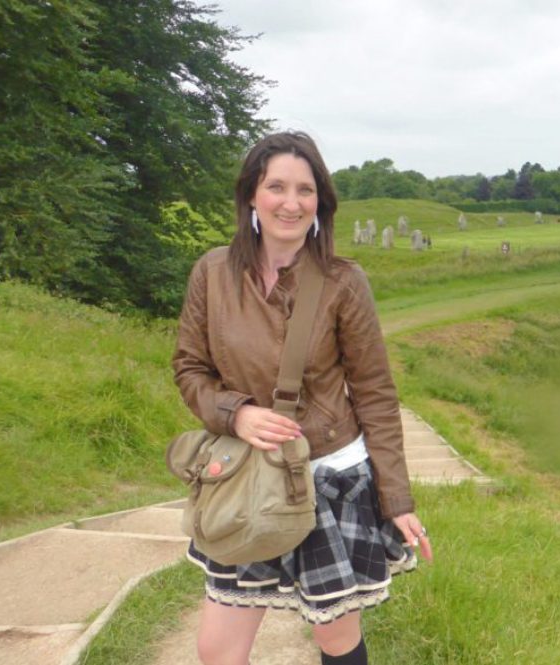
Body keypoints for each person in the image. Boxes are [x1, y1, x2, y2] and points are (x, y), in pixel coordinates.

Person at [172, 131, 432, 665]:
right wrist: (235, 414)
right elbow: (190, 367)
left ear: (320, 202)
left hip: (331, 480)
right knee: (217, 650)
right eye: (277, 187)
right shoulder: (212, 273)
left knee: (335, 640)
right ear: (251, 195)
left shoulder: (342, 281)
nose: (291, 203)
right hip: (247, 480)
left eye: (306, 190)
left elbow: (376, 395)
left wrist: (397, 501)